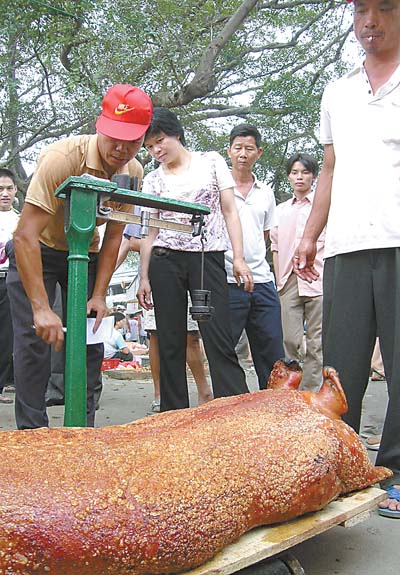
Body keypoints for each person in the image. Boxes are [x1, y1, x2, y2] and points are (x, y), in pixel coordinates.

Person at [294, 0, 400, 517]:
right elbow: (329, 169)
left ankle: (397, 472)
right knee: (343, 365)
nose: (371, 22)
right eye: (361, 11)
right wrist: (311, 235)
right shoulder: (337, 92)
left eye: (385, 9)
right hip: (348, 246)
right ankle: (344, 463)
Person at [6, 84, 152, 429]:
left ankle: (82, 431)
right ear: (99, 126)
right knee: (34, 339)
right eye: (114, 137)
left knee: (91, 338)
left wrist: (100, 294)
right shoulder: (62, 158)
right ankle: (32, 433)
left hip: (84, 252)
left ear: (144, 137)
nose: (120, 148)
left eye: (131, 140)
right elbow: (24, 234)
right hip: (37, 250)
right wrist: (42, 308)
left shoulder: (133, 173)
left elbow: (115, 234)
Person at [137, 107, 253, 411]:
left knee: (217, 336)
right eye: (149, 147)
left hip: (207, 257)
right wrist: (144, 276)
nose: (156, 150)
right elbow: (149, 232)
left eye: (160, 141)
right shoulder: (152, 180)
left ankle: (235, 407)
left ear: (176, 133)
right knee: (170, 341)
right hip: (165, 260)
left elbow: (229, 211)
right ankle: (173, 413)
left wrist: (238, 258)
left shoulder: (211, 162)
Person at [118, 223, 213, 411]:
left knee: (191, 335)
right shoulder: (142, 203)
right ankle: (160, 394)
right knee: (157, 335)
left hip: (189, 270)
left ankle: (205, 392)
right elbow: (130, 242)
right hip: (157, 273)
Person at [225, 124, 284, 389]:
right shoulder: (219, 188)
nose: (243, 154)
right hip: (227, 280)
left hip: (262, 280)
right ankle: (233, 410)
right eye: (238, 148)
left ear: (259, 153)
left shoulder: (266, 193)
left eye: (249, 149)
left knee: (272, 353)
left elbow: (265, 235)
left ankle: (274, 409)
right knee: (225, 350)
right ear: (229, 151)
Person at [270, 153, 324, 391]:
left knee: (317, 343)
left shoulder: (324, 208)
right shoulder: (280, 210)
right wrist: (279, 279)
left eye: (305, 172)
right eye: (294, 172)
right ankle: (290, 392)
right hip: (288, 280)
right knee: (290, 340)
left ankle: (311, 394)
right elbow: (275, 247)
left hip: (318, 279)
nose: (299, 177)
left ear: (313, 176)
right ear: (289, 176)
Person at [0, 168, 19, 404]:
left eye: (8, 189)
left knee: (6, 337)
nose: (4, 194)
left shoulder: (21, 220)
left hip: (9, 281)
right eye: (0, 189)